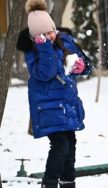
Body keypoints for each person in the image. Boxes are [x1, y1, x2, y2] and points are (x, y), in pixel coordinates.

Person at [16, 0, 92, 187]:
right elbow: (46, 73)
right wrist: (44, 48)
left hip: (67, 105)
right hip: (49, 108)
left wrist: (81, 67)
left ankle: (68, 182)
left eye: (50, 32)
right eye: (42, 35)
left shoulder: (65, 41)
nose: (49, 37)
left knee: (70, 146)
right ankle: (49, 182)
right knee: (60, 146)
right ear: (35, 37)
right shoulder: (33, 51)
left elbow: (87, 65)